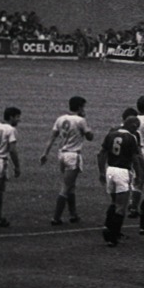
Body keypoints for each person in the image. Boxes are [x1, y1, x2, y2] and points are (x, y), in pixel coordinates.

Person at [40, 97, 94, 226]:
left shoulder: (60, 119)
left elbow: (52, 137)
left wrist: (45, 153)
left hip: (62, 155)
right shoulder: (80, 120)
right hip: (73, 156)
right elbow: (90, 137)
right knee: (66, 187)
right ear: (80, 107)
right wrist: (86, 124)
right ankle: (56, 217)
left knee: (70, 186)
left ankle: (73, 214)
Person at [97, 110, 144, 248]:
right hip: (123, 171)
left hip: (110, 170)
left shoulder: (111, 134)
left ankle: (107, 226)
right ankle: (113, 236)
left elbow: (101, 154)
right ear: (133, 125)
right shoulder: (132, 138)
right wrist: (139, 175)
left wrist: (101, 172)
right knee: (121, 207)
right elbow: (135, 158)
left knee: (113, 202)